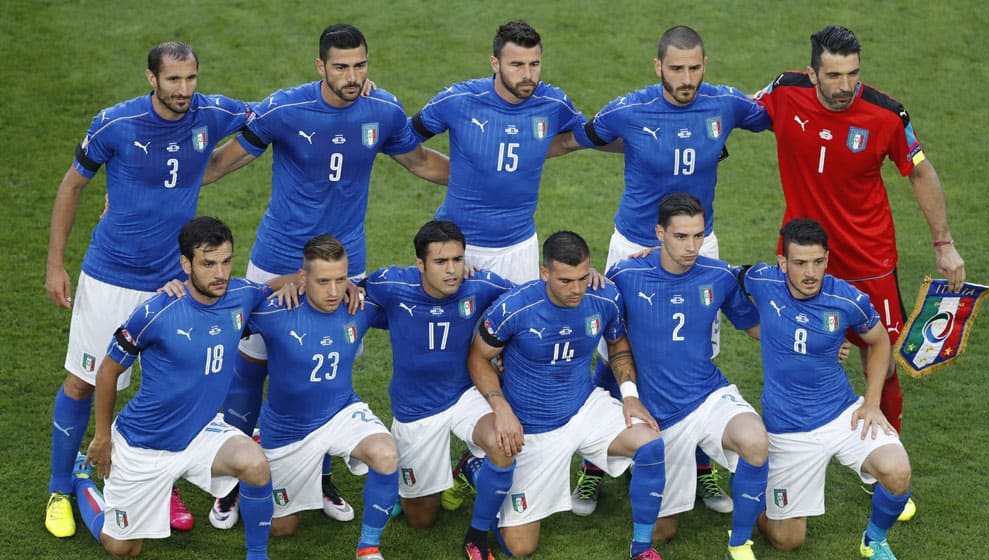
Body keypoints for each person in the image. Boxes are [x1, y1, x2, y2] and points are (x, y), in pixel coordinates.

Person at [201, 23, 449, 524]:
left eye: (360, 65)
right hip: (277, 261)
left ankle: (321, 474)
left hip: (344, 268)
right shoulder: (285, 110)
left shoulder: (383, 111)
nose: (352, 75)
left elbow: (421, 162)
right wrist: (135, 191)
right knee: (251, 366)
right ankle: (230, 482)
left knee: (330, 367)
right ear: (320, 66)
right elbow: (220, 165)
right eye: (341, 67)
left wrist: (490, 177)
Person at [548, 25, 770, 516]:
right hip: (634, 246)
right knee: (612, 347)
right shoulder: (629, 110)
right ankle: (593, 466)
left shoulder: (726, 105)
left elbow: (780, 113)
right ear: (658, 67)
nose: (686, 78)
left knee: (698, 350)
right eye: (676, 69)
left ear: (705, 63)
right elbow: (578, 137)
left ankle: (700, 464)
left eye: (694, 68)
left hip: (698, 245)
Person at [756, 25, 967, 520]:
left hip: (869, 262)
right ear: (813, 74)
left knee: (885, 360)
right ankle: (791, 445)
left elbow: (919, 171)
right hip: (803, 256)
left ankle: (879, 464)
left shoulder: (885, 114)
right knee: (795, 349)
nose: (845, 85)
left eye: (853, 73)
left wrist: (944, 243)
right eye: (833, 75)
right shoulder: (786, 91)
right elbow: (741, 110)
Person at [44, 42, 252, 538]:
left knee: (170, 386)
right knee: (85, 381)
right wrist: (55, 264)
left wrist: (210, 168)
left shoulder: (213, 112)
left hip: (172, 285)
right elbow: (72, 186)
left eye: (191, 78)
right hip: (110, 276)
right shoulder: (116, 123)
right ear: (151, 79)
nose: (184, 90)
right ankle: (60, 486)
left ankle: (165, 479)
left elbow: (269, 121)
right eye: (173, 80)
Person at [73, 217, 287, 560]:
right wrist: (102, 437)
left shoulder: (240, 295)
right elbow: (107, 371)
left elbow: (269, 286)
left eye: (226, 262)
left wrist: (305, 279)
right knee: (121, 548)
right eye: (208, 263)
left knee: (256, 465)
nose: (220, 273)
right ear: (185, 265)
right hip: (144, 445)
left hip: (201, 434)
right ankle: (81, 481)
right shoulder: (156, 311)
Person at [467, 231, 676, 560]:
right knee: (521, 547)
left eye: (582, 277)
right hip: (533, 427)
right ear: (544, 273)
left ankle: (641, 550)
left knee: (651, 443)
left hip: (583, 408)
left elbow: (618, 341)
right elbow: (478, 356)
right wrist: (501, 408)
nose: (577, 289)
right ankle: (474, 469)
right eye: (566, 280)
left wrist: (629, 394)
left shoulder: (603, 296)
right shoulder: (515, 307)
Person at [607, 193, 770, 560]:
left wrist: (818, 341)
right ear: (659, 233)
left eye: (698, 236)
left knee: (755, 441)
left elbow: (757, 328)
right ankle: (642, 539)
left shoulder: (718, 276)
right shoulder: (624, 277)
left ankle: (740, 545)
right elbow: (609, 339)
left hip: (708, 396)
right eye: (680, 236)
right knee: (664, 530)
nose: (691, 247)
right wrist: (627, 394)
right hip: (659, 414)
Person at [743, 218, 913, 560]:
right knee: (788, 541)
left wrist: (871, 403)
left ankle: (875, 541)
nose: (810, 272)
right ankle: (759, 499)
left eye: (818, 262)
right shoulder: (761, 280)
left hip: (841, 414)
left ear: (827, 259)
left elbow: (880, 341)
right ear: (781, 261)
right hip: (787, 430)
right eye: (800, 263)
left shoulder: (846, 299)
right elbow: (715, 277)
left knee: (897, 472)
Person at [243, 235, 401, 560]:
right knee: (283, 528)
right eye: (323, 281)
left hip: (340, 411)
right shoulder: (274, 310)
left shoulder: (358, 306)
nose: (333, 291)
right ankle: (257, 452)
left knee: (387, 454)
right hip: (287, 430)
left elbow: (412, 299)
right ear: (303, 278)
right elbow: (227, 303)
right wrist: (279, 285)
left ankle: (369, 550)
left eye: (340, 279)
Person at [363, 220, 515, 560]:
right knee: (421, 520)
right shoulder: (391, 284)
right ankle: (432, 481)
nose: (452, 270)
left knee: (503, 443)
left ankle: (477, 537)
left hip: (464, 395)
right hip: (416, 411)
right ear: (420, 264)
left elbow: (527, 302)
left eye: (458, 260)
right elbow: (346, 290)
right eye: (441, 262)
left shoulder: (481, 285)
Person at [410, 20, 586, 284]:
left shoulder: (553, 103)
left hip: (519, 248)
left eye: (534, 64)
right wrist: (364, 103)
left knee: (516, 325)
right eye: (517, 65)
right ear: (495, 63)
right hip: (458, 248)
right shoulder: (458, 101)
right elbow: (402, 139)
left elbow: (583, 136)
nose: (527, 74)